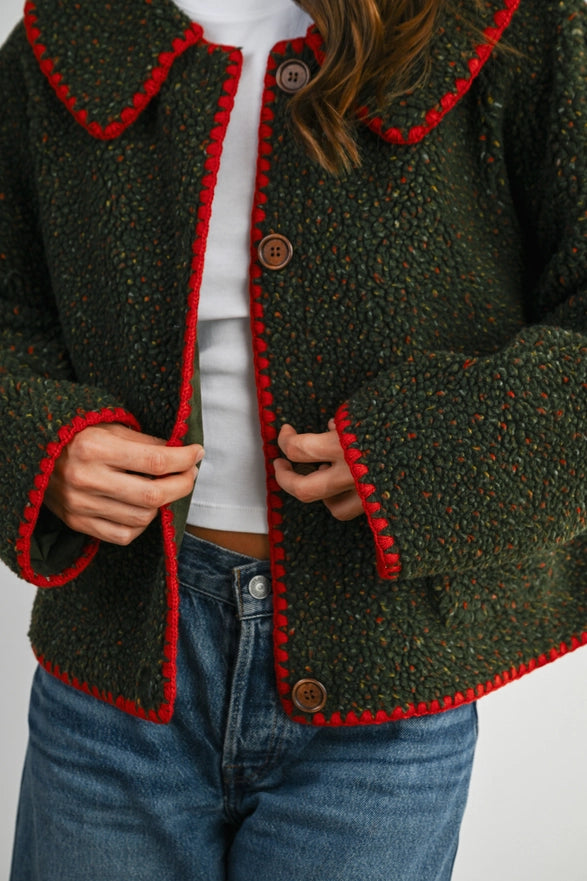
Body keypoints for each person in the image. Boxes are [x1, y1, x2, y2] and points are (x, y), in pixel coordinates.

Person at [1, 0, 585, 877]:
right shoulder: (68, 35)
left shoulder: (510, 24)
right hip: (116, 675)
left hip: (386, 685)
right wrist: (38, 445)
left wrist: (428, 454)